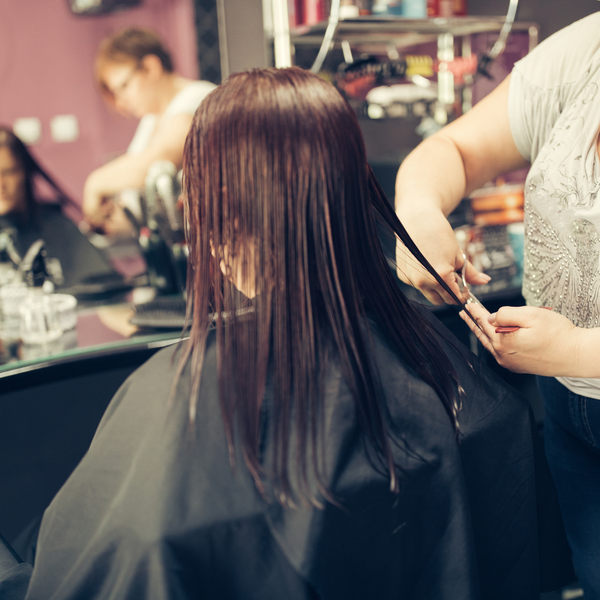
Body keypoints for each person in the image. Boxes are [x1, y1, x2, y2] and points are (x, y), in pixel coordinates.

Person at [0, 68, 573, 599]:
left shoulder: (177, 401)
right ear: (355, 195)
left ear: (216, 219)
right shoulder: (458, 377)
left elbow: (102, 567)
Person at [394, 12, 600, 598]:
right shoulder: (584, 53)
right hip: (570, 411)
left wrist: (579, 348)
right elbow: (452, 149)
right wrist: (419, 214)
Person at [83, 27, 216, 234]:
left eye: (124, 86)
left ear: (151, 67)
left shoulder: (197, 98)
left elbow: (161, 158)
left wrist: (95, 183)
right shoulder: (150, 120)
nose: (121, 102)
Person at [0, 126, 117, 289]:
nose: (1, 184)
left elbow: (107, 291)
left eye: (9, 171)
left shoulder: (58, 227)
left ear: (24, 173)